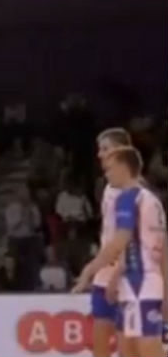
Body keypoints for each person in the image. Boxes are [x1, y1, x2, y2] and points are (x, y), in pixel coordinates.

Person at [73, 147, 166, 357]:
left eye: (110, 169)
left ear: (124, 168)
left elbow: (118, 243)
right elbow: (157, 246)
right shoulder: (151, 199)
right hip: (140, 282)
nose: (106, 175)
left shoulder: (128, 198)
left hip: (140, 283)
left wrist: (89, 270)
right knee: (128, 350)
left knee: (146, 350)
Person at [88, 128, 132, 357]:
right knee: (100, 344)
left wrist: (118, 274)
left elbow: (132, 240)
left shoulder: (133, 192)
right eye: (99, 149)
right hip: (104, 274)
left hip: (126, 276)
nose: (100, 154)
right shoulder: (107, 187)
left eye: (105, 149)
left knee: (129, 346)